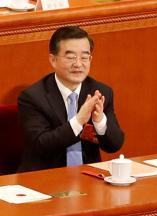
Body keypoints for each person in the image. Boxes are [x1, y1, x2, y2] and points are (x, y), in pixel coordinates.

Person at [18, 26, 125, 172]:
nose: (78, 64)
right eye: (70, 57)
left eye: (84, 57)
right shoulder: (33, 97)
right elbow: (41, 145)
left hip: (88, 177)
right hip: (44, 178)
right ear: (53, 60)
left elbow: (114, 145)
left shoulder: (100, 92)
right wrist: (78, 121)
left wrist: (100, 121)